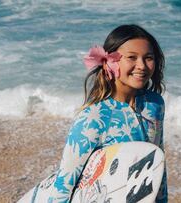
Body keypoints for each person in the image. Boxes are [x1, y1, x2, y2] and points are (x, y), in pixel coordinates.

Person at [21, 24, 167, 203]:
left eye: (149, 58)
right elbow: (64, 184)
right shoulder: (94, 118)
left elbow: (157, 163)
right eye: (131, 58)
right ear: (110, 62)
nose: (142, 66)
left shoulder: (155, 105)